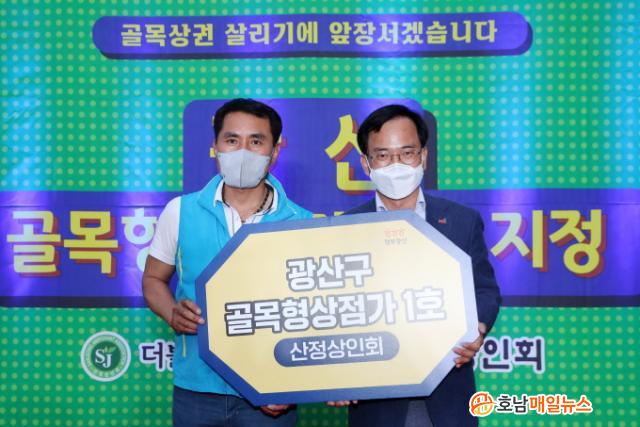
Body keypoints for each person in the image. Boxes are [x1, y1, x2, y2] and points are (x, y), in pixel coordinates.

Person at [142, 98, 312, 427]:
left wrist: (292, 384)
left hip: (271, 391)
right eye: (232, 140)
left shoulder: (302, 222)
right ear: (216, 147)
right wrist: (171, 312)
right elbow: (152, 280)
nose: (243, 151)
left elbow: (312, 313)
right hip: (197, 389)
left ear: (275, 151)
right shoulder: (180, 212)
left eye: (256, 141)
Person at [345, 104, 502, 426]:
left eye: (407, 153)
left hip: (447, 392)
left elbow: (484, 290)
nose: (396, 165)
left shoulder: (461, 221)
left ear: (424, 157)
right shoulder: (344, 229)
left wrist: (478, 328)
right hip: (377, 400)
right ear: (366, 163)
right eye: (383, 155)